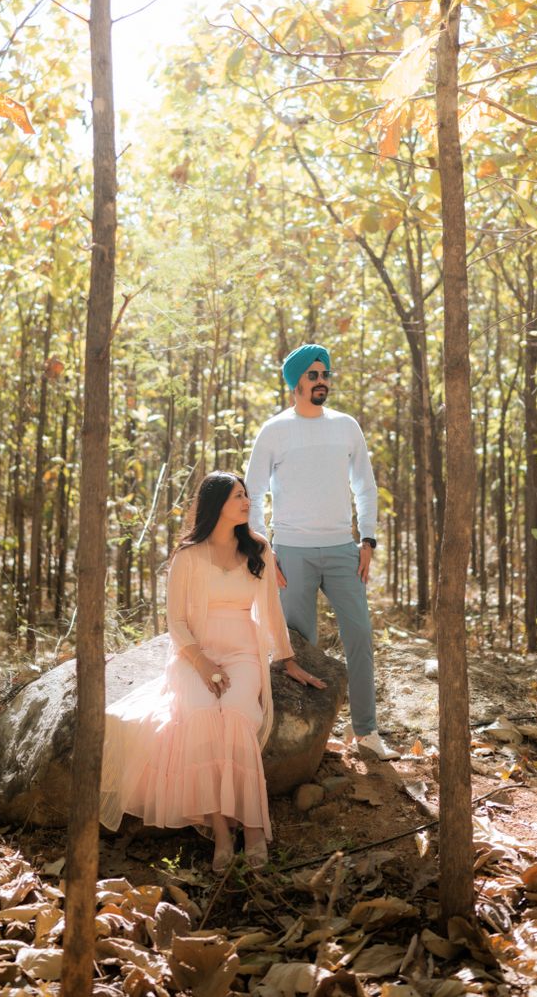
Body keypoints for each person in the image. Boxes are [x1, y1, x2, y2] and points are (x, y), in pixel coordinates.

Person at [99, 470, 325, 870]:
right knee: (201, 716)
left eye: (246, 495)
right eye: (238, 495)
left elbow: (272, 611)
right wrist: (201, 663)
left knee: (238, 715)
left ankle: (253, 828)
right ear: (216, 503)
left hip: (243, 655)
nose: (247, 502)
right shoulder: (187, 556)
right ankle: (222, 833)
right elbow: (176, 621)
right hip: (194, 655)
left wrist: (287, 660)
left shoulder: (258, 549)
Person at [243, 343, 397, 760]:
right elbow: (252, 493)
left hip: (343, 550)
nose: (322, 380)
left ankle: (366, 733)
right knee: (298, 645)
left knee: (360, 635)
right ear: (295, 383)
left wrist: (367, 539)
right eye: (313, 375)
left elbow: (365, 485)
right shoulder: (274, 430)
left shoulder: (346, 426)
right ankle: (302, 740)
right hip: (291, 552)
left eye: (326, 373)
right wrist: (264, 547)